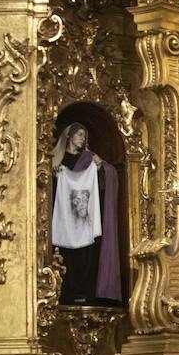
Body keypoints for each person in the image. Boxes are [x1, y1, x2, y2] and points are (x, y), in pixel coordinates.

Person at [52, 122, 122, 304]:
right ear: (70, 136)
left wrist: (100, 168)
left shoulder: (88, 158)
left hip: (84, 217)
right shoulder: (58, 159)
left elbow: (109, 175)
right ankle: (66, 292)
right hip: (66, 217)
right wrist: (56, 172)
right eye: (80, 135)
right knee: (66, 255)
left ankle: (85, 292)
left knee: (88, 254)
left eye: (84, 136)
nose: (83, 139)